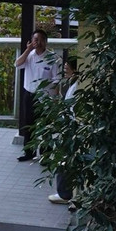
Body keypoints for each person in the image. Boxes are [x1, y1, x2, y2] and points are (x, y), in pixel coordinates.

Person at [13, 28, 60, 161]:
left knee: (45, 126)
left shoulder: (53, 58)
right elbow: (17, 64)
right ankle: (29, 152)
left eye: (40, 40)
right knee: (28, 124)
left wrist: (54, 98)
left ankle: (45, 155)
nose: (37, 42)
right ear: (32, 41)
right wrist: (27, 50)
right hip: (30, 94)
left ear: (46, 42)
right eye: (35, 40)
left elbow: (57, 80)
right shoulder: (29, 55)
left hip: (46, 97)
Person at [48, 58, 79, 205]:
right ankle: (66, 192)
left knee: (63, 160)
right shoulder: (74, 85)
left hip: (72, 128)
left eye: (67, 69)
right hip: (70, 127)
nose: (65, 72)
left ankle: (64, 194)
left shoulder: (77, 87)